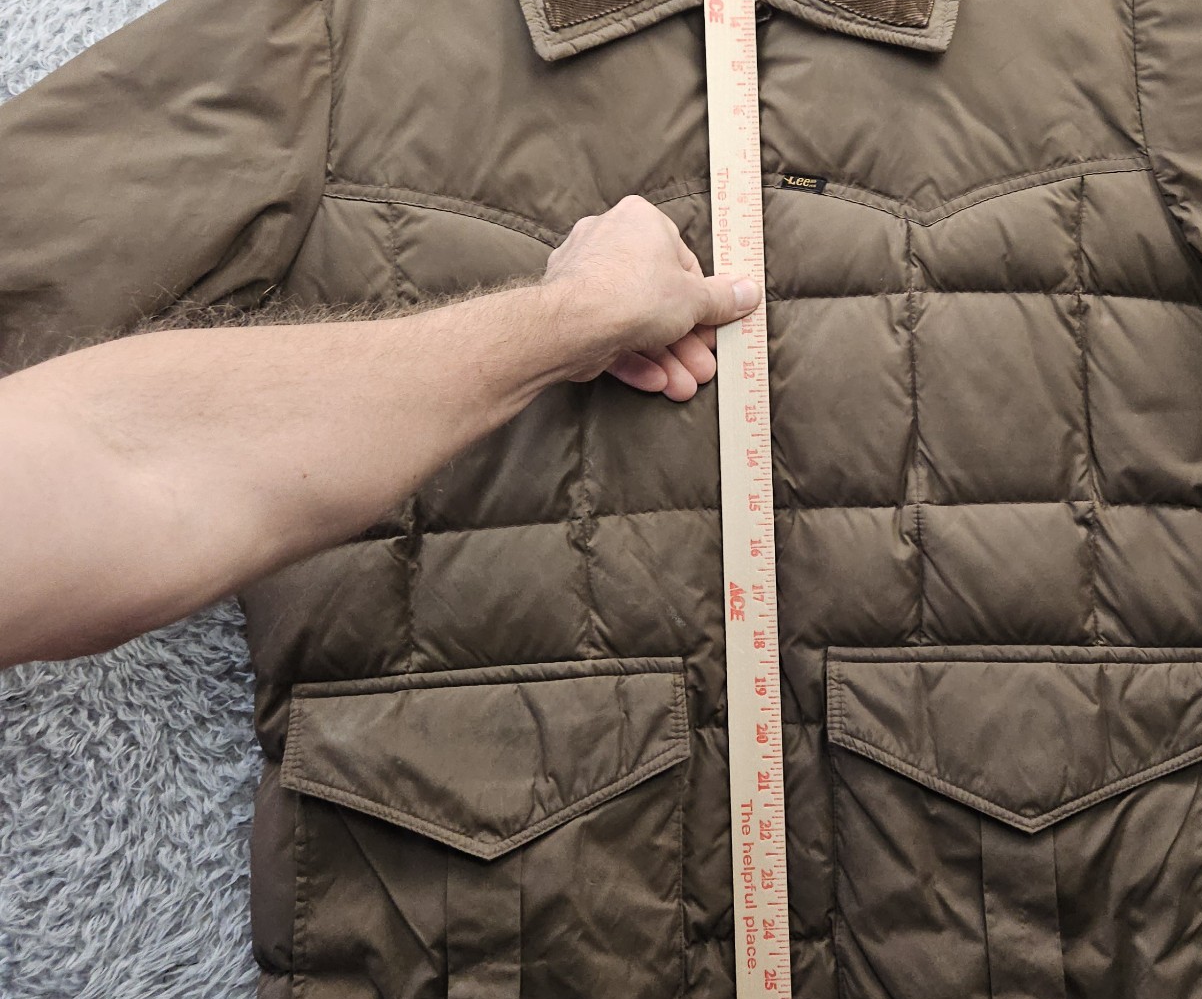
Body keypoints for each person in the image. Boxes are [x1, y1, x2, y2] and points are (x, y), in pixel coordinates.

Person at [0, 194, 760, 671]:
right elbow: (128, 468)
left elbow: (122, 466)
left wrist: (573, 320)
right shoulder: (347, 12)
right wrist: (568, 319)